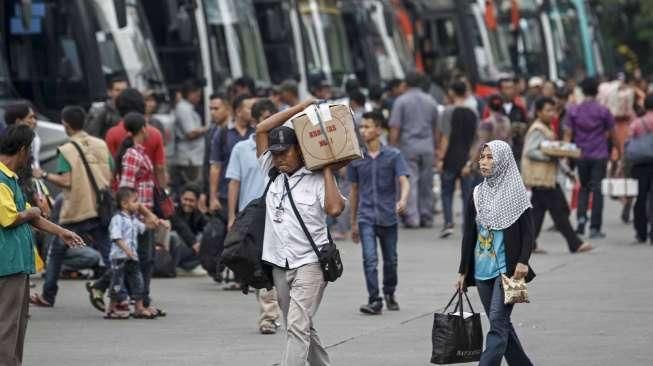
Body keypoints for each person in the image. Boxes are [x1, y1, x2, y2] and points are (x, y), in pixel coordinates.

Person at [256, 99, 345, 366]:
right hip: (279, 263)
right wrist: (301, 108)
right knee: (299, 324)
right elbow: (261, 128)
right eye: (275, 153)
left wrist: (327, 166)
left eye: (285, 152)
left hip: (310, 263)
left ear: (299, 150)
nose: (279, 158)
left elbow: (334, 209)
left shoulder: (317, 179)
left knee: (296, 324)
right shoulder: (270, 172)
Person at [0, 124, 84, 365]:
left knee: (16, 324)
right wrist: (34, 210)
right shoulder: (1, 179)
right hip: (6, 264)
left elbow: (29, 214)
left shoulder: (10, 179)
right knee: (7, 325)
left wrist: (62, 232)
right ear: (24, 150)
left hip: (15, 263)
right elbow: (10, 218)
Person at [455, 140, 535, 366]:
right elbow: (469, 234)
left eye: (490, 157)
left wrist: (523, 261)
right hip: (481, 272)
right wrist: (463, 271)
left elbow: (528, 232)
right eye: (482, 157)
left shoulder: (517, 192)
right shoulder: (477, 193)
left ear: (503, 161)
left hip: (509, 271)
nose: (484, 162)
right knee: (502, 326)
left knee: (498, 325)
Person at [30, 106, 114, 307]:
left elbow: (66, 181)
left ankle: (48, 295)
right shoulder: (101, 144)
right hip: (101, 207)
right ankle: (119, 292)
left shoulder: (66, 150)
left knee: (57, 251)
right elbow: (110, 172)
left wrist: (43, 175)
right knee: (110, 254)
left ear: (65, 125)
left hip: (77, 210)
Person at [88, 113, 170, 316]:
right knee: (139, 260)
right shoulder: (132, 155)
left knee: (142, 260)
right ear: (143, 128)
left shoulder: (138, 152)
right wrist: (146, 213)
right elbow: (126, 189)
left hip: (143, 213)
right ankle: (139, 302)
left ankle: (138, 300)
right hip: (136, 217)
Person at [226, 98, 281, 335]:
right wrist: (231, 216)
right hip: (253, 216)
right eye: (264, 120)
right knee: (260, 263)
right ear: (256, 121)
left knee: (279, 263)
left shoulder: (285, 148)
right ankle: (269, 316)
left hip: (280, 212)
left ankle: (278, 312)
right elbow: (234, 183)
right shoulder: (241, 149)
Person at [348, 111, 409, 315]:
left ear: (379, 130)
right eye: (361, 127)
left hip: (388, 217)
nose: (363, 130)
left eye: (367, 126)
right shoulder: (356, 158)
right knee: (370, 259)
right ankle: (375, 300)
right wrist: (353, 222)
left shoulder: (393, 155)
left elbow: (404, 180)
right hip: (366, 217)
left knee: (391, 259)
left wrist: (402, 199)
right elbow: (354, 190)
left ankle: (389, 292)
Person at [522, 97, 593, 254]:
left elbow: (554, 153)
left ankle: (527, 245)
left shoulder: (547, 128)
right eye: (547, 110)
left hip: (546, 178)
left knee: (538, 213)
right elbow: (530, 151)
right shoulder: (537, 129)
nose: (551, 113)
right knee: (559, 211)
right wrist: (548, 156)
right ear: (539, 112)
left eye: (553, 110)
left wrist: (567, 171)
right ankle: (574, 243)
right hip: (541, 178)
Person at [564, 77, 618, 238]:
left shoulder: (574, 110)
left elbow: (568, 134)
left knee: (584, 188)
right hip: (599, 154)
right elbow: (613, 134)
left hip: (581, 155)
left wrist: (566, 155)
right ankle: (595, 227)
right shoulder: (603, 111)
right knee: (597, 190)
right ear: (596, 91)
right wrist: (619, 151)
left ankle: (581, 220)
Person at [389, 72, 439, 228]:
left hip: (408, 146)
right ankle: (427, 215)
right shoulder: (431, 101)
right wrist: (435, 147)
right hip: (427, 146)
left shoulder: (401, 101)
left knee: (410, 181)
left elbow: (395, 127)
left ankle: (412, 217)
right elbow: (435, 128)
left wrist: (392, 147)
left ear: (406, 84)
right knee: (427, 182)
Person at [105, 187, 163, 320]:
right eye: (135, 201)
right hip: (120, 258)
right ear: (124, 204)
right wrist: (127, 250)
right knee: (117, 283)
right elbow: (116, 237)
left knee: (138, 282)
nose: (138, 205)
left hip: (132, 258)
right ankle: (111, 309)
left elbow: (145, 227)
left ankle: (139, 308)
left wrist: (159, 223)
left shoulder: (132, 220)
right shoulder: (117, 219)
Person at [438, 81, 481, 238]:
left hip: (450, 158)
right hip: (466, 159)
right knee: (466, 194)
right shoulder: (473, 112)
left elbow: (445, 137)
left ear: (452, 93)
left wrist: (441, 158)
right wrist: (471, 160)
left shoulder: (447, 111)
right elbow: (477, 138)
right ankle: (467, 225)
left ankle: (448, 223)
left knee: (446, 192)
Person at [105, 88, 167, 188]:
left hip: (121, 194)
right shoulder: (155, 133)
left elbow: (110, 168)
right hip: (148, 191)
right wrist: (164, 194)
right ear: (142, 106)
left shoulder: (112, 133)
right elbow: (159, 168)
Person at [209, 94, 256, 214]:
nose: (254, 111)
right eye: (250, 108)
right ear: (238, 111)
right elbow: (215, 167)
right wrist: (213, 197)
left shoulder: (256, 133)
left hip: (251, 195)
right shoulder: (223, 133)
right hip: (226, 194)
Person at [173, 80, 208, 191]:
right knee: (192, 188)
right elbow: (190, 133)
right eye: (197, 95)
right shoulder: (184, 109)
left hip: (194, 156)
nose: (199, 99)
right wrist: (208, 128)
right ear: (190, 93)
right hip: (190, 158)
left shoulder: (187, 108)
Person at [628, 93, 653, 244]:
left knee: (641, 198)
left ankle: (641, 232)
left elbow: (628, 142)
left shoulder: (637, 122)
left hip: (640, 164)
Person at [202, 93, 232, 208]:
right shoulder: (211, 132)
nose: (212, 112)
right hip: (217, 189)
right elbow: (207, 164)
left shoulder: (235, 131)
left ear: (227, 108)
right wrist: (206, 192)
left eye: (216, 109)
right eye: (210, 109)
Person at [169, 184, 207, 273]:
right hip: (175, 251)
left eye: (191, 201)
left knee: (205, 236)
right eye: (185, 199)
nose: (187, 203)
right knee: (174, 236)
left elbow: (207, 226)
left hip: (189, 251)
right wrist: (194, 243)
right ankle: (173, 267)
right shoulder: (173, 210)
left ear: (197, 201)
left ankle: (189, 266)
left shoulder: (197, 213)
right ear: (181, 198)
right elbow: (181, 227)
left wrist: (205, 213)